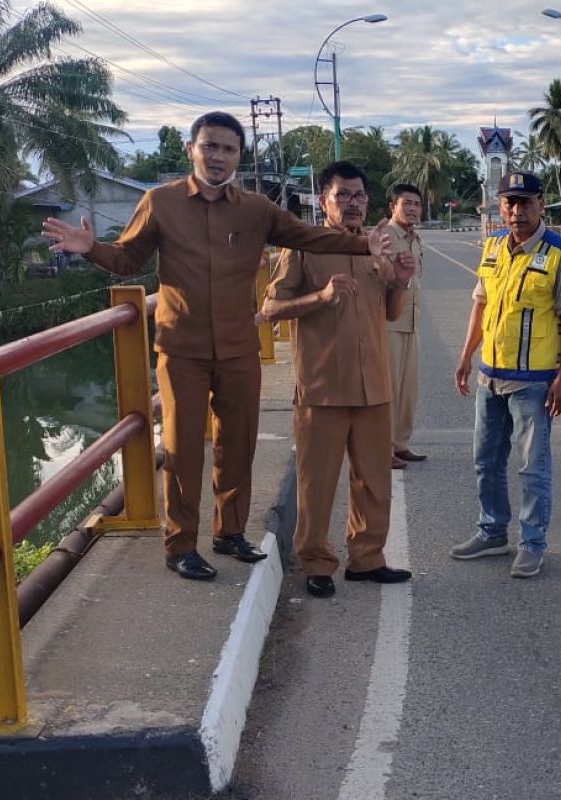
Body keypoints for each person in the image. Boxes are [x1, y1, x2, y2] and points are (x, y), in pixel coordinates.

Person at [43, 112, 391, 582]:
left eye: (228, 149)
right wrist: (90, 248)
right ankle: (180, 544)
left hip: (238, 346)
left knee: (238, 443)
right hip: (181, 347)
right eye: (210, 146)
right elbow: (127, 259)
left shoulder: (255, 210)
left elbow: (307, 234)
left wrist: (365, 246)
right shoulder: (160, 202)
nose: (218, 156)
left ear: (239, 157)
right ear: (191, 150)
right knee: (184, 449)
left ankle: (229, 532)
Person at [260, 161, 414, 598]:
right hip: (323, 387)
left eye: (359, 196)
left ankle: (366, 559)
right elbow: (270, 309)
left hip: (373, 387)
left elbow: (389, 312)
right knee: (318, 482)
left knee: (374, 482)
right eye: (341, 195)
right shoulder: (302, 248)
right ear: (323, 200)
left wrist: (399, 281)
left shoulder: (375, 246)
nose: (351, 203)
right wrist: (321, 297)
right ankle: (317, 562)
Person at [451, 171, 561, 579]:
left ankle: (531, 542)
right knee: (486, 461)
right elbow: (481, 305)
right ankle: (492, 531)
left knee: (532, 467)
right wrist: (465, 357)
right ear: (500, 206)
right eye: (510, 202)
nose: (516, 210)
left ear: (541, 204)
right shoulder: (491, 247)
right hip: (489, 377)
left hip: (533, 381)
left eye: (525, 202)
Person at [384, 183, 427, 469]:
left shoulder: (415, 238)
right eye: (406, 203)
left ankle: (400, 444)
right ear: (393, 206)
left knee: (407, 390)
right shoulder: (384, 237)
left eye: (416, 204)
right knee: (387, 390)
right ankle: (382, 447)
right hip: (387, 322)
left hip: (411, 322)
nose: (412, 209)